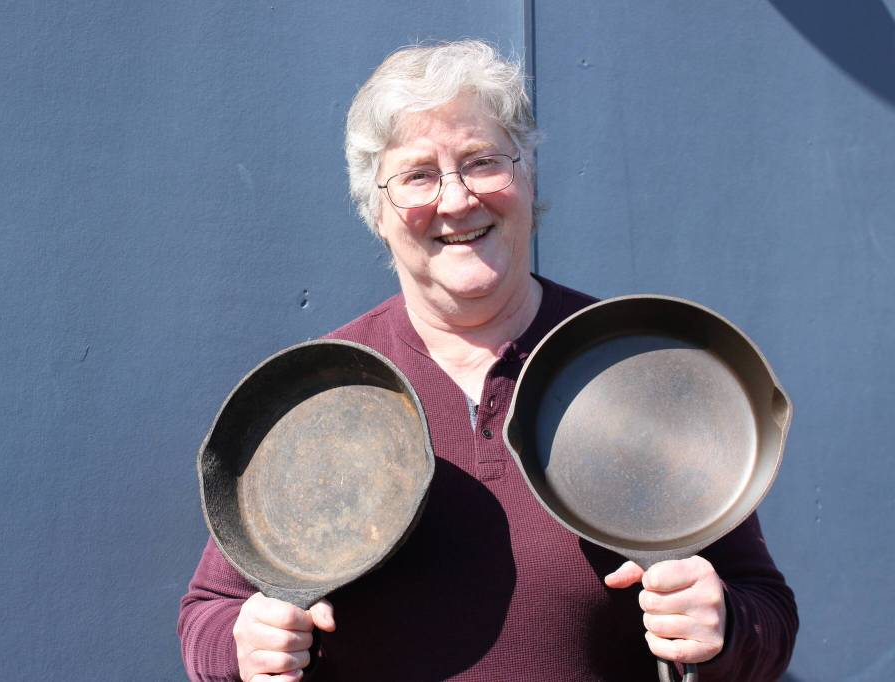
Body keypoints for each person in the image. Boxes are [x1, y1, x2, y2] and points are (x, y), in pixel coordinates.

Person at [179, 40, 798, 681]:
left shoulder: (631, 368)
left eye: (482, 162)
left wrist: (722, 625)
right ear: (378, 211)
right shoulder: (322, 396)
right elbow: (211, 611)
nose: (455, 200)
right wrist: (241, 646)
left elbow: (767, 611)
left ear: (527, 178)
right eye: (418, 175)